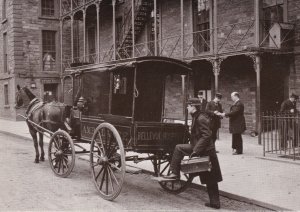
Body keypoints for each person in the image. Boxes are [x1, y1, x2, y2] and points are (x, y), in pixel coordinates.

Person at [164, 98, 222, 209]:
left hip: (205, 150)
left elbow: (206, 136)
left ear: (193, 107)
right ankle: (215, 203)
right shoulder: (197, 116)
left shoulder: (200, 118)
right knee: (211, 178)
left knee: (178, 148)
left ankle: (175, 173)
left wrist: (196, 151)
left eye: (188, 105)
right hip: (205, 149)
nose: (187, 107)